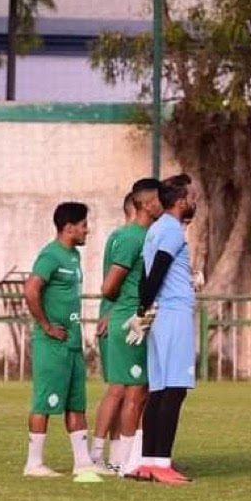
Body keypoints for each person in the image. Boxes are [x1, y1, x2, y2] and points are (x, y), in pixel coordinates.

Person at [128, 174, 200, 485]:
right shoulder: (171, 230)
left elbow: (146, 275)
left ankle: (147, 462)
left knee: (158, 391)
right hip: (173, 314)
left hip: (160, 315)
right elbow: (157, 271)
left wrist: (143, 310)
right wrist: (143, 308)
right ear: (181, 202)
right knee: (174, 389)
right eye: (192, 198)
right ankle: (162, 463)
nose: (195, 202)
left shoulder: (155, 229)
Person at [23, 202, 102, 480]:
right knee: (44, 402)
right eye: (83, 225)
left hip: (72, 343)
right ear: (69, 228)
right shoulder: (50, 255)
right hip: (52, 345)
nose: (87, 230)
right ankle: (34, 463)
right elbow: (31, 290)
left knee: (76, 403)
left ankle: (83, 462)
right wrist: (46, 326)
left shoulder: (73, 256)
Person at [100, 178, 163, 477]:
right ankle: (121, 460)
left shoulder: (146, 236)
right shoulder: (131, 237)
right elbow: (109, 286)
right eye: (159, 200)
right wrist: (122, 309)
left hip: (142, 317)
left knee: (140, 391)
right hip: (130, 320)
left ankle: (128, 457)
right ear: (146, 204)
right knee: (132, 391)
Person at [89, 191, 135, 469]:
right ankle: (96, 454)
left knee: (126, 389)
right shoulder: (128, 238)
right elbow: (114, 282)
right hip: (117, 317)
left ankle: (117, 455)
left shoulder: (116, 237)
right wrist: (112, 311)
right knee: (119, 388)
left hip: (114, 314)